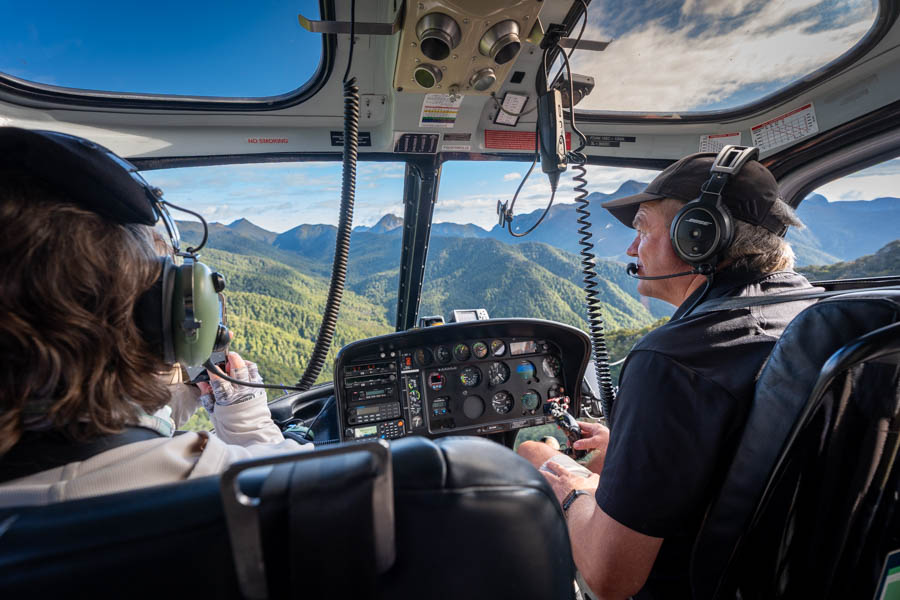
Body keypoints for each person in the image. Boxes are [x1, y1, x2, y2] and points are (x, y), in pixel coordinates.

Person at [518, 151, 816, 599]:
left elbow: (609, 578)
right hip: (781, 573)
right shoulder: (810, 313)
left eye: (641, 228)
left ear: (698, 236)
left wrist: (568, 485)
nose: (631, 248)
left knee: (532, 454)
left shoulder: (674, 359)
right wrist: (628, 447)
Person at [0, 128, 308, 508]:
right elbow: (292, 487)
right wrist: (244, 417)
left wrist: (158, 403)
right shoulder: (210, 481)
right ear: (155, 318)